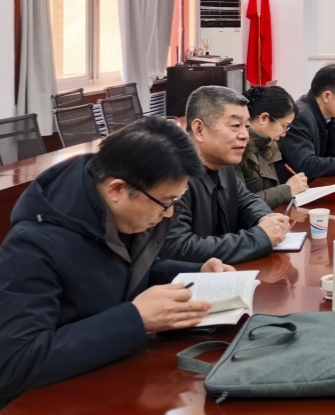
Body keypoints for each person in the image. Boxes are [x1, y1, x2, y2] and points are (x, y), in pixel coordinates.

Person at [0, 118, 234, 408]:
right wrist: (135, 319)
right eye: (165, 202)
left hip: (116, 377)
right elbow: (15, 363)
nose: (168, 214)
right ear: (116, 189)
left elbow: (129, 268)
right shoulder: (32, 246)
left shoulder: (123, 212)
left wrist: (196, 272)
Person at [162, 86, 291, 264]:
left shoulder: (223, 164)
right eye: (235, 126)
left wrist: (266, 218)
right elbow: (179, 247)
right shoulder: (172, 174)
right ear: (199, 129)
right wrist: (259, 238)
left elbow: (246, 201)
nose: (245, 135)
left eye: (246, 126)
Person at [237, 85, 309, 210]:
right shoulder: (236, 147)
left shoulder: (267, 146)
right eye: (283, 126)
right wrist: (287, 190)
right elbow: (239, 205)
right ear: (264, 118)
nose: (284, 134)